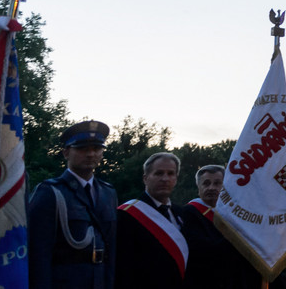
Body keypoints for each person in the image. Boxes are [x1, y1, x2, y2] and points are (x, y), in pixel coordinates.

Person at [27, 119, 119, 289]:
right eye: (83, 148)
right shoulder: (50, 192)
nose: (91, 154)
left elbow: (111, 250)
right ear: (66, 153)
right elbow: (38, 254)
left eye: (97, 149)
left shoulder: (108, 193)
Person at [115, 152, 187, 289]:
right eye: (159, 173)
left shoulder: (181, 213)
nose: (165, 179)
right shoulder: (127, 215)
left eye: (170, 173)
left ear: (176, 179)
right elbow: (123, 267)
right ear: (145, 178)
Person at [179, 165, 258, 289]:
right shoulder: (188, 213)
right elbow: (203, 252)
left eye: (217, 183)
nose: (211, 188)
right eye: (206, 183)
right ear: (198, 188)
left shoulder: (233, 214)